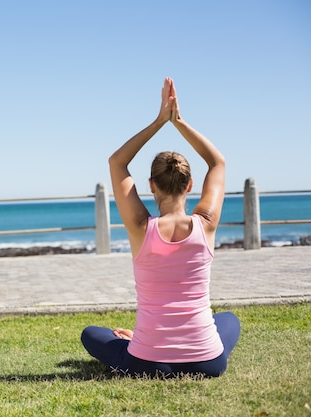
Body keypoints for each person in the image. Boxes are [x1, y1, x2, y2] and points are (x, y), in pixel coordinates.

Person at [81, 78, 240, 378]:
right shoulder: (205, 224)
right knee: (229, 319)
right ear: (190, 184)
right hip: (208, 362)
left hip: (146, 362)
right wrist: (178, 122)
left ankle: (133, 341)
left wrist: (159, 121)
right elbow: (217, 163)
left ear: (151, 185)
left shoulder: (141, 227)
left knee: (91, 333)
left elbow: (117, 162)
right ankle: (191, 345)